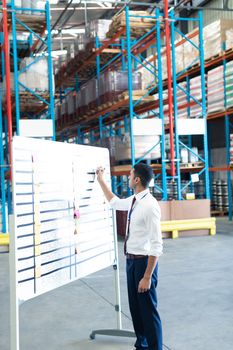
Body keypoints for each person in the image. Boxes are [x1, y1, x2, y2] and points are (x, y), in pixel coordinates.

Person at [96, 162, 163, 350]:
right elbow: (115, 203)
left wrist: (147, 277)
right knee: (136, 310)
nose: (128, 177)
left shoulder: (150, 206)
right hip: (131, 262)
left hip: (144, 265)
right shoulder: (135, 200)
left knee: (148, 312)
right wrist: (101, 181)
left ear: (137, 179)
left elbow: (157, 245)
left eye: (130, 174)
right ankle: (141, 345)